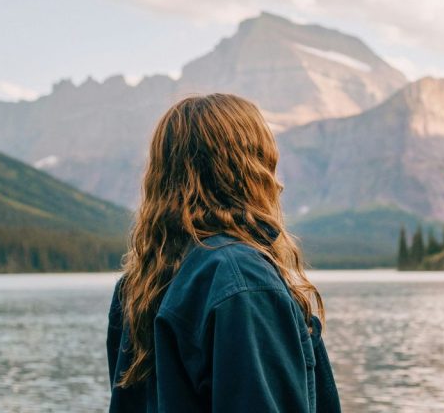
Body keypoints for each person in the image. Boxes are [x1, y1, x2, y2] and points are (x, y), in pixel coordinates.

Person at [106, 93, 341, 412]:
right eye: (268, 161)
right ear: (250, 169)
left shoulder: (139, 286)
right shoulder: (242, 280)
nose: (277, 181)